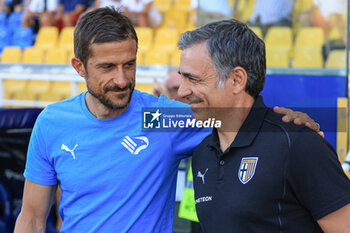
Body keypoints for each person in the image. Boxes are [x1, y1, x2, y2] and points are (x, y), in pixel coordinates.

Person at [14, 7, 321, 233]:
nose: (122, 79)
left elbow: (241, 116)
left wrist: (294, 120)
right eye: (107, 67)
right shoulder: (52, 123)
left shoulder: (159, 118)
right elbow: (31, 218)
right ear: (79, 67)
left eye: (129, 64)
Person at [177, 19, 350, 232]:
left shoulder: (297, 143)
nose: (181, 92)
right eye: (182, 79)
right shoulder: (203, 152)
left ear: (237, 80)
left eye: (193, 79)